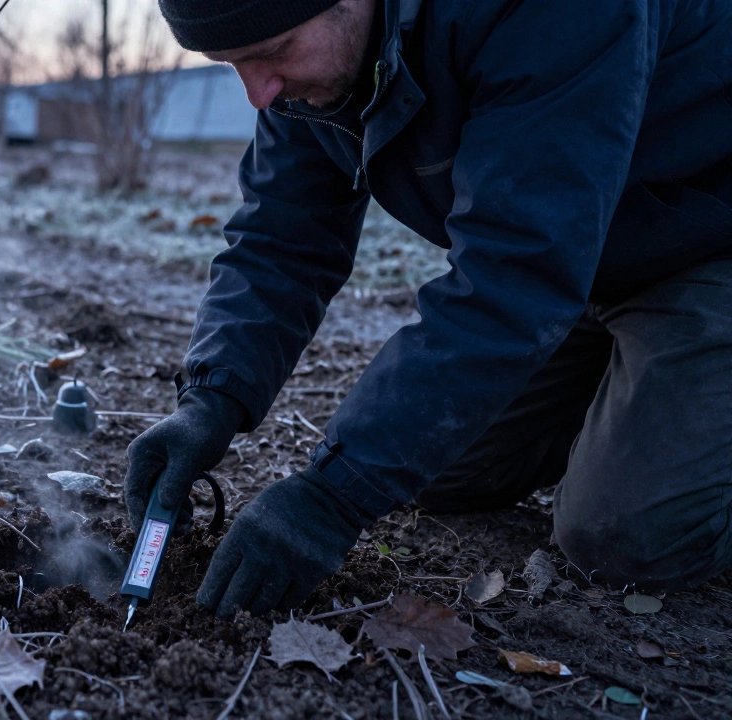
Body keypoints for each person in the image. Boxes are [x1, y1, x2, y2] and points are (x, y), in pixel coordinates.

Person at [126, 0, 732, 617]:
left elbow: (512, 271)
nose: (259, 92)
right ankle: (649, 399)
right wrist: (211, 400)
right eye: (231, 65)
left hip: (707, 241)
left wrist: (330, 500)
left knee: (626, 541)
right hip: (584, 256)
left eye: (273, 52)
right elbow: (282, 237)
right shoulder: (309, 69)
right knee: (437, 468)